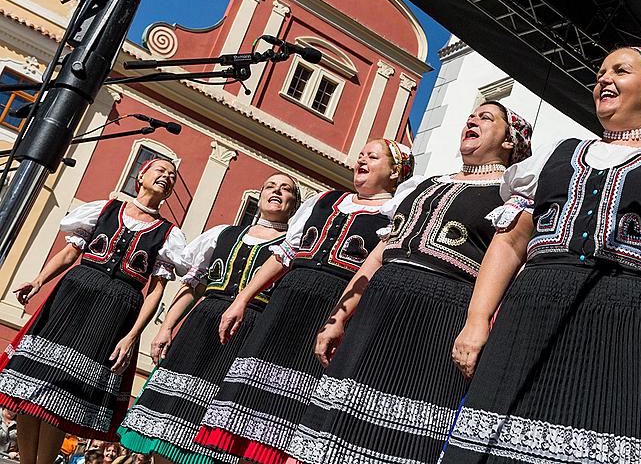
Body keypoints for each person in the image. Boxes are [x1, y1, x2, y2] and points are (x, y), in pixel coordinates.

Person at [440, 47, 641, 464]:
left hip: (630, 325)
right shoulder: (557, 154)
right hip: (530, 311)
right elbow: (509, 241)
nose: (603, 79)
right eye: (600, 72)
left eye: (621, 71)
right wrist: (477, 319)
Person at [291, 102, 533, 464]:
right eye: (472, 116)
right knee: (331, 426)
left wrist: (476, 324)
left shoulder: (511, 193)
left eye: (487, 118)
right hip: (377, 309)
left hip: (437, 315)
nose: (472, 120)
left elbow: (509, 264)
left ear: (511, 141)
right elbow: (380, 252)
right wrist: (339, 316)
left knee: (396, 435)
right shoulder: (425, 185)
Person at [193, 139, 415, 464]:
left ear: (395, 171)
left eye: (373, 155)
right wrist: (242, 298)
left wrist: (340, 321)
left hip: (331, 310)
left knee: (294, 415)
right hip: (286, 306)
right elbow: (284, 255)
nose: (362, 158)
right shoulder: (324, 201)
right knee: (250, 409)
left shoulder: (396, 214)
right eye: (361, 153)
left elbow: (376, 273)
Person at [0, 159, 187, 464]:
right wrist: (37, 281)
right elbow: (70, 252)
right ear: (140, 176)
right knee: (31, 384)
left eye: (172, 175)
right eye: (160, 170)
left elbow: (156, 292)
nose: (166, 176)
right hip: (72, 299)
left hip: (113, 314)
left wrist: (132, 336)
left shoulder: (168, 235)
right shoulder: (104, 209)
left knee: (62, 397)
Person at [117, 172, 300, 464]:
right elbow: (192, 287)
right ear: (259, 193)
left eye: (286, 189)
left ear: (294, 204)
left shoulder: (293, 248)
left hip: (247, 334)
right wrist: (166, 328)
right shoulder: (223, 234)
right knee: (169, 421)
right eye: (270, 186)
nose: (277, 191)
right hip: (201, 326)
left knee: (213, 426)